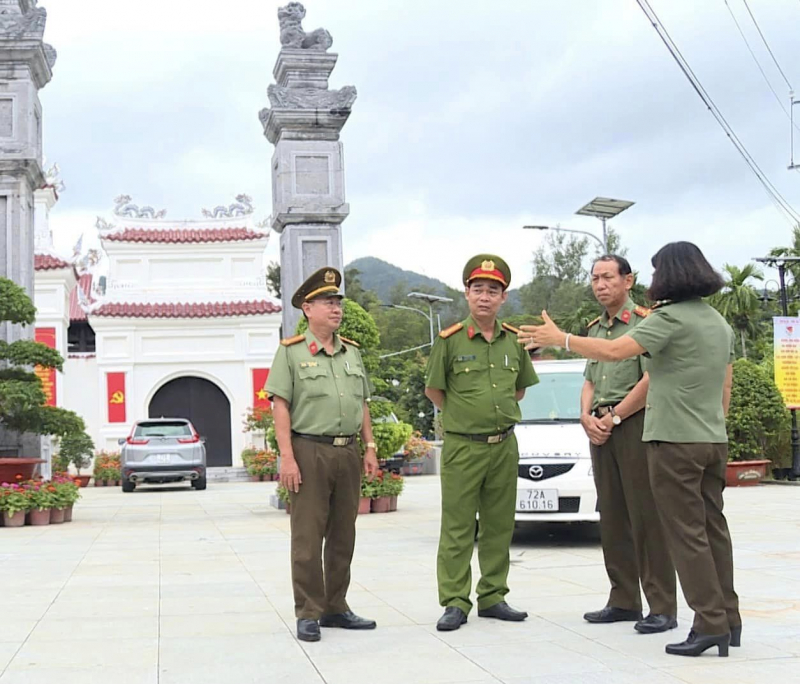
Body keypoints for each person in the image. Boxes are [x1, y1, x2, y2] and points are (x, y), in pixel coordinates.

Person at [518, 242, 740, 658]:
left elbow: (618, 351)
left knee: (684, 535)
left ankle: (709, 623)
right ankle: (729, 618)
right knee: (712, 530)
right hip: (711, 438)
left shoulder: (667, 319)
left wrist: (560, 339)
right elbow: (726, 388)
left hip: (672, 439)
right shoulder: (717, 322)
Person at [425, 254, 539, 632]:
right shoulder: (450, 340)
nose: (485, 297)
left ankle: (493, 596)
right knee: (458, 527)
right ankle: (456, 600)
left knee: (499, 525)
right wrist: (465, 418)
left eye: (493, 290)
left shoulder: (514, 341)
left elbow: (519, 390)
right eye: (478, 289)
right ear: (467, 294)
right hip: (463, 447)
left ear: (503, 297)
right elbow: (435, 391)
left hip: (504, 445)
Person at [266, 267, 380, 643]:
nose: (336, 308)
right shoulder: (291, 353)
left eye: (338, 302)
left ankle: (337, 606)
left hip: (347, 452)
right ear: (308, 308)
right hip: (308, 449)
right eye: (328, 302)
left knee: (343, 533)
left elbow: (362, 402)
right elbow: (280, 405)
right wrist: (287, 456)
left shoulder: (352, 352)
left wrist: (370, 446)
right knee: (308, 536)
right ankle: (309, 611)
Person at [580, 255, 677, 634]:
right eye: (595, 278)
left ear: (628, 280)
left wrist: (616, 415)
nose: (600, 285)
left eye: (607, 277)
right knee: (613, 516)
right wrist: (586, 416)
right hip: (600, 427)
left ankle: (662, 605)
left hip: (635, 424)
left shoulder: (645, 322)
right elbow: (589, 377)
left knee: (646, 516)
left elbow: (651, 379)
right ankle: (622, 599)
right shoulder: (595, 328)